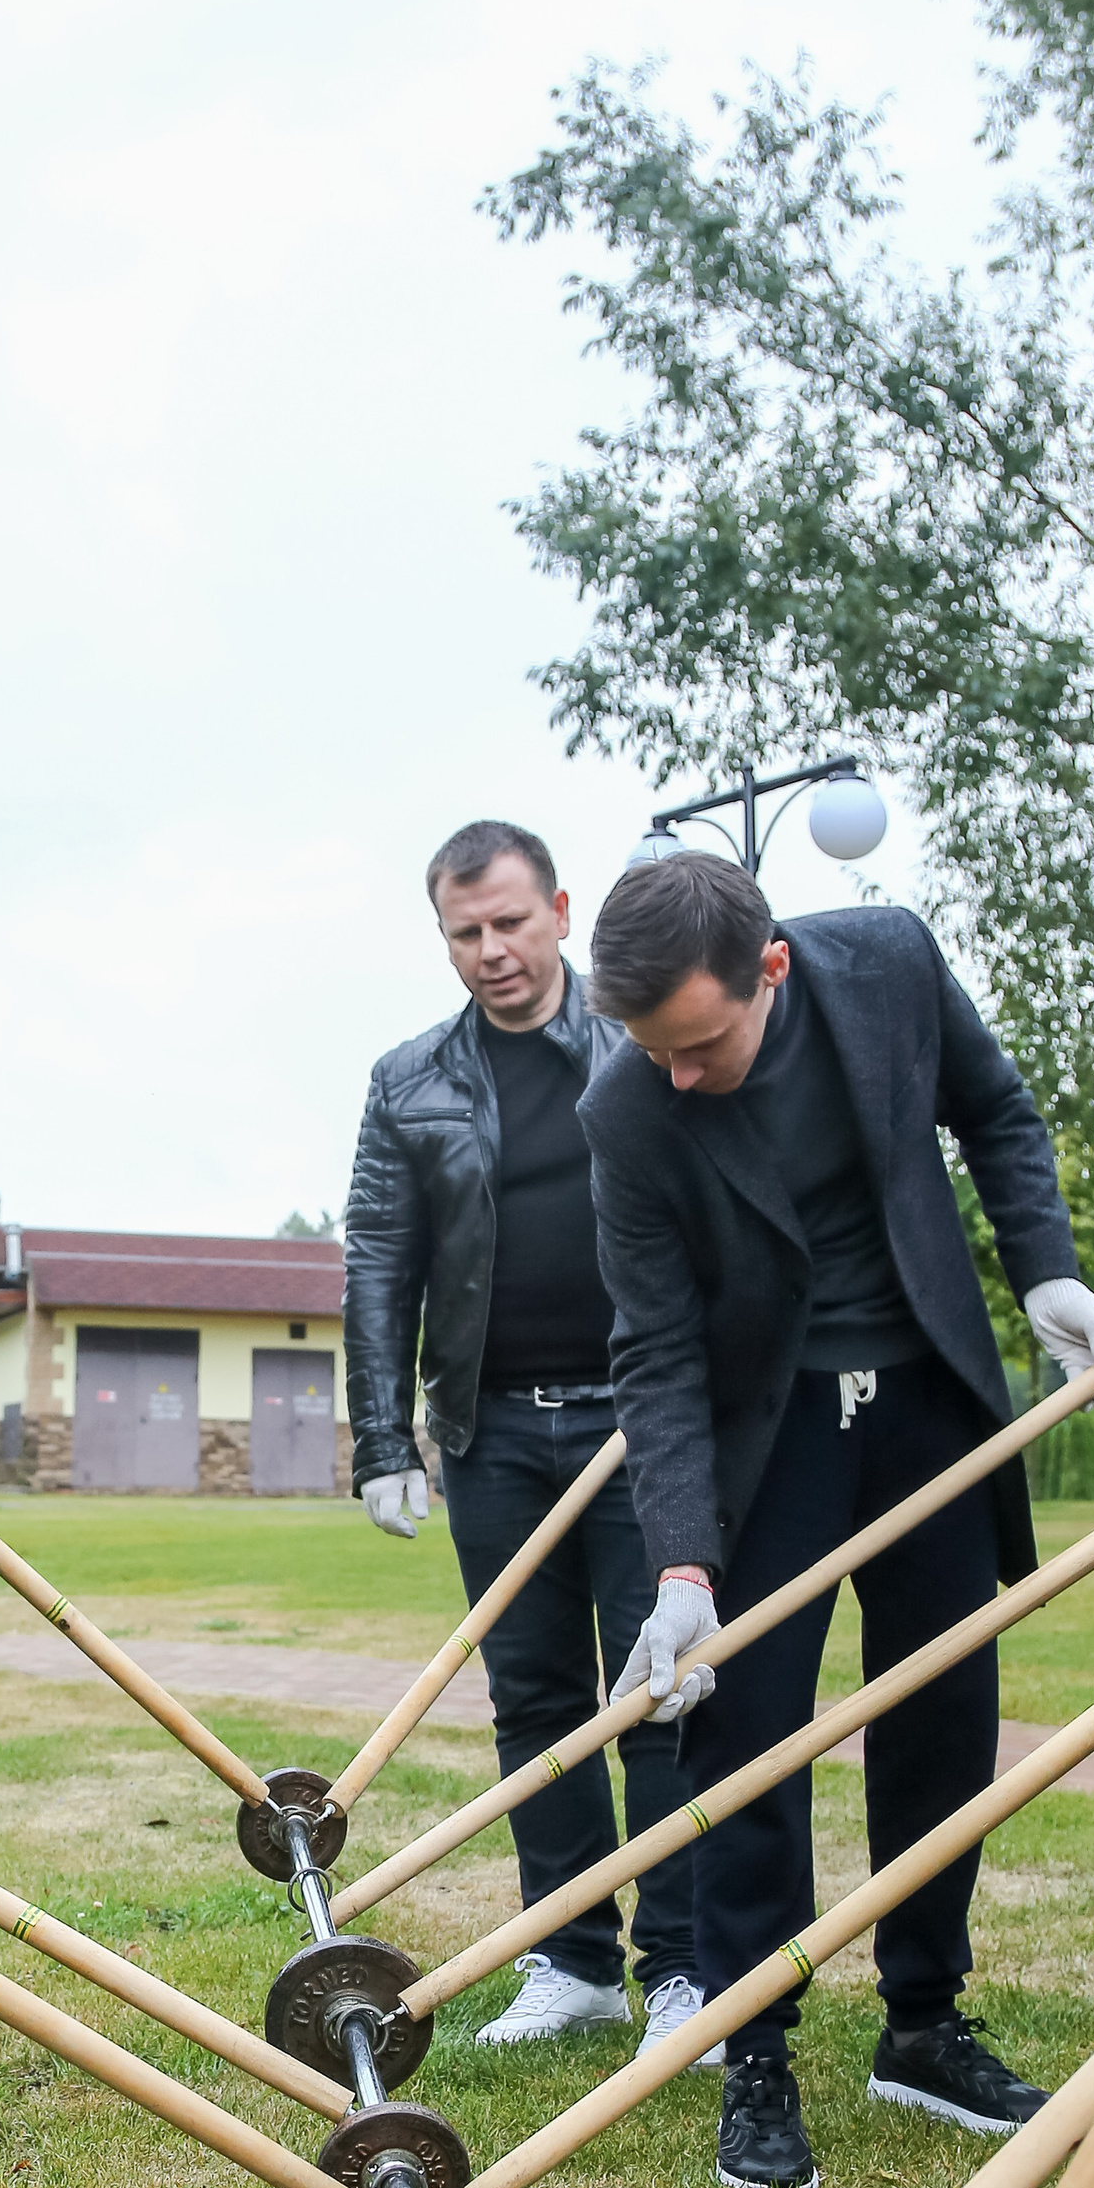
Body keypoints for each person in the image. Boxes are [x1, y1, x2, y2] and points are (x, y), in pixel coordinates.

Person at [580, 849, 1094, 2188]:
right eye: (652, 1050)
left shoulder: (887, 964)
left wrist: (1046, 1272)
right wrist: (682, 1565)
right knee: (746, 1730)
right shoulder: (628, 1107)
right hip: (767, 1438)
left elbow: (997, 1116)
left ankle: (925, 2025)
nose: (677, 1076)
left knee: (944, 1707)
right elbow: (654, 1346)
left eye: (700, 1044)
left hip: (929, 1400)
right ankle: (753, 2042)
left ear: (770, 969)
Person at [344, 822, 702, 2049]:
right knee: (532, 1703)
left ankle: (682, 1972)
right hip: (493, 1431)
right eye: (464, 933)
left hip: (639, 1426)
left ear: (558, 909)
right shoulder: (409, 1082)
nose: (491, 952)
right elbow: (381, 1262)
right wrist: (381, 1438)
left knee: (660, 1688)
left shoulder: (638, 1042)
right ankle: (571, 1962)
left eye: (508, 922)